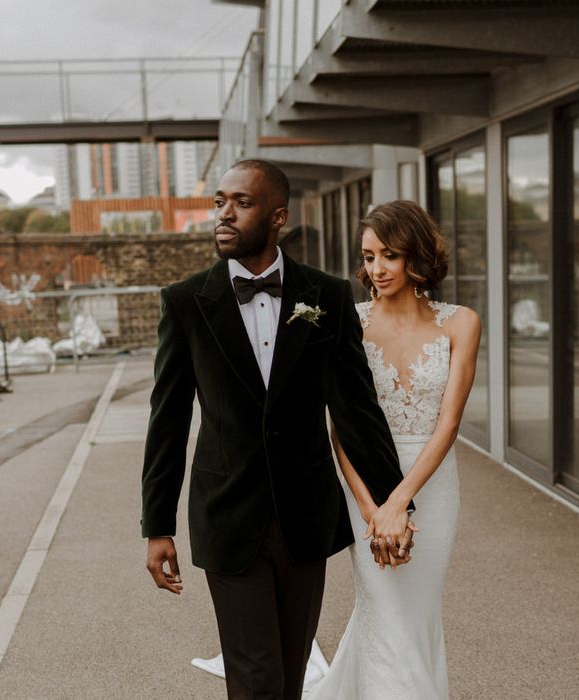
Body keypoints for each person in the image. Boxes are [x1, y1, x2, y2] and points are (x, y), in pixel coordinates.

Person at [141, 160, 413, 700]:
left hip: (305, 516)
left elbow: (356, 409)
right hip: (226, 514)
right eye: (219, 201)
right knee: (256, 674)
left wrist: (395, 505)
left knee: (288, 673)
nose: (223, 214)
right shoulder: (185, 302)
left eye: (241, 203)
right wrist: (157, 525)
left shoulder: (328, 296)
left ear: (278, 216)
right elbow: (167, 422)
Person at [308, 200, 481, 699]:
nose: (376, 269)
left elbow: (448, 424)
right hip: (364, 482)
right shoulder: (349, 321)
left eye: (389, 255)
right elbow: (339, 427)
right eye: (368, 256)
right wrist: (372, 509)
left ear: (417, 257)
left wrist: (400, 504)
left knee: (416, 611)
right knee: (383, 609)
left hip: (433, 485)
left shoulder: (461, 323)